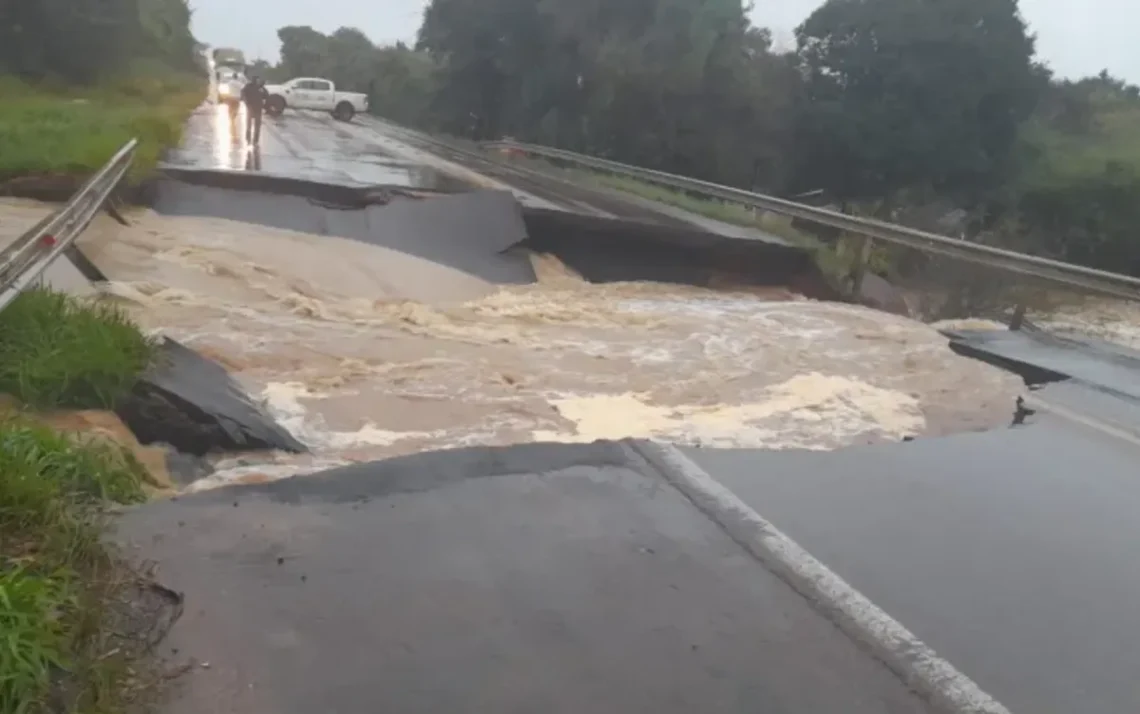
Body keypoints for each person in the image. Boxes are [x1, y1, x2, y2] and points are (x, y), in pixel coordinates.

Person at [240, 76, 269, 145]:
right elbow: (243, 93)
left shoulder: (261, 88)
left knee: (257, 125)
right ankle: (248, 139)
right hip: (250, 107)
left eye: (257, 80)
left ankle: (255, 140)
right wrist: (245, 101)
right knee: (249, 124)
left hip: (257, 108)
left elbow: (266, 96)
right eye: (256, 80)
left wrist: (263, 90)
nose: (257, 81)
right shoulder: (248, 86)